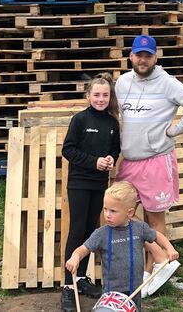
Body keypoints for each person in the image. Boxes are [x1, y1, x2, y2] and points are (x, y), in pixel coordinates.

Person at [114, 34, 183, 296]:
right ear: (131, 57)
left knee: (155, 218)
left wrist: (176, 130)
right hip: (130, 161)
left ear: (155, 57)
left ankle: (152, 271)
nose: (143, 60)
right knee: (126, 215)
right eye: (138, 55)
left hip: (156, 159)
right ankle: (139, 266)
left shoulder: (167, 83)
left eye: (148, 56)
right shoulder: (123, 83)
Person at [65, 181, 179, 311]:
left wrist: (170, 248)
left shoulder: (140, 228)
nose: (107, 214)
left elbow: (157, 236)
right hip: (111, 292)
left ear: (129, 213)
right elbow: (83, 249)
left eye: (113, 211)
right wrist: (75, 257)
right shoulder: (101, 234)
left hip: (136, 290)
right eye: (105, 209)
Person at [60, 73, 121, 312]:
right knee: (76, 230)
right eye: (96, 94)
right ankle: (67, 287)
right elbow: (68, 150)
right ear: (88, 96)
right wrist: (93, 162)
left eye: (105, 95)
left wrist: (110, 159)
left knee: (91, 230)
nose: (101, 99)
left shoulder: (112, 123)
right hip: (79, 182)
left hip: (99, 183)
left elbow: (115, 150)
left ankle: (81, 279)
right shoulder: (79, 120)